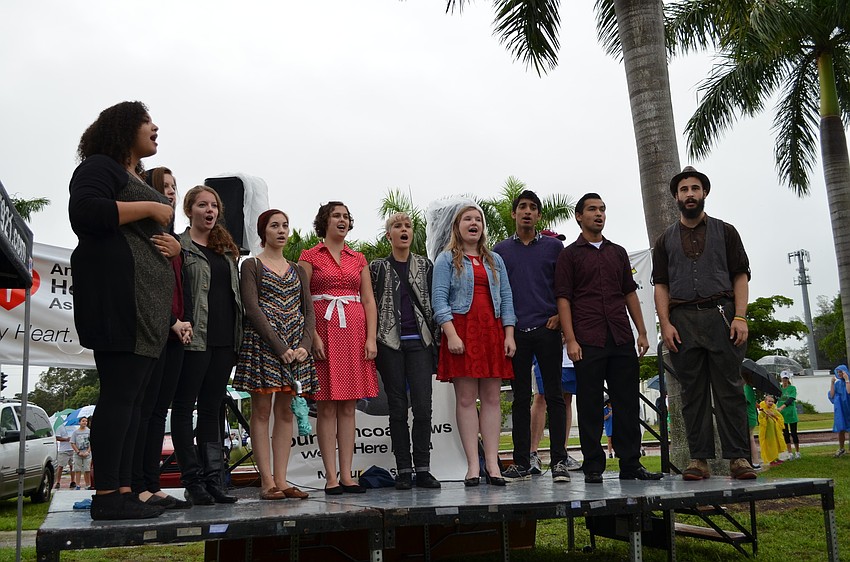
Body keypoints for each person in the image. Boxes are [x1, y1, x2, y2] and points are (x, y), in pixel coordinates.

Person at [69, 101, 178, 520]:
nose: (156, 128)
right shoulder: (99, 166)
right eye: (147, 122)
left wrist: (168, 245)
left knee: (135, 402)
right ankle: (108, 494)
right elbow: (86, 212)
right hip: (119, 301)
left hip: (145, 308)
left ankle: (128, 488)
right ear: (124, 128)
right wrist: (152, 209)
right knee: (119, 397)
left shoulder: (129, 175)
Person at [652, 166, 756, 481]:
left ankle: (739, 459)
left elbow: (740, 275)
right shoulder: (664, 240)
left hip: (722, 316)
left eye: (695, 189)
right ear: (676, 197)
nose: (690, 195)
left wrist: (740, 316)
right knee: (691, 393)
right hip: (682, 320)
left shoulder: (726, 231)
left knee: (730, 389)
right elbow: (660, 286)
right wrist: (665, 323)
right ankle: (699, 460)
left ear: (704, 193)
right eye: (684, 190)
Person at [555, 193, 660, 484]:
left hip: (620, 336)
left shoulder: (617, 252)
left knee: (626, 402)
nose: (598, 214)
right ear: (579, 216)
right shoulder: (569, 255)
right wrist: (571, 340)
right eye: (592, 209)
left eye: (602, 209)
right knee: (589, 404)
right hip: (587, 339)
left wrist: (641, 331)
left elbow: (629, 293)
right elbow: (563, 299)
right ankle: (592, 467)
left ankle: (630, 465)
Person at [234, 209, 318, 500]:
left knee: (286, 412)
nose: (281, 231)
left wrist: (304, 345)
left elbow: (309, 311)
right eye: (274, 226)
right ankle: (266, 481)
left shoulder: (297, 268)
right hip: (264, 345)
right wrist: (279, 346)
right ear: (263, 232)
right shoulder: (252, 265)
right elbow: (251, 307)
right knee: (261, 412)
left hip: (296, 348)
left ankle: (282, 479)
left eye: (285, 225)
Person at [432, 205, 516, 487]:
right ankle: (472, 466)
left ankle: (493, 463)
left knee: (492, 398)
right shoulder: (446, 260)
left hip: (491, 332)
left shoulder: (496, 260)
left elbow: (506, 298)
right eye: (468, 218)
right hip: (461, 331)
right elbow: (439, 300)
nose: (474, 223)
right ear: (457, 225)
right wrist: (452, 334)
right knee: (466, 399)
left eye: (478, 219)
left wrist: (509, 334)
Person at [299, 202, 378, 494]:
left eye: (346, 216)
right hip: (323, 332)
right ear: (325, 221)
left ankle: (348, 475)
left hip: (354, 333)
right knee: (326, 407)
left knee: (349, 407)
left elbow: (369, 300)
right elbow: (303, 300)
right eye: (336, 216)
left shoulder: (358, 258)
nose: (342, 220)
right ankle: (331, 477)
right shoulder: (309, 256)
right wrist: (313, 336)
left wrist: (371, 338)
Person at [172, 185, 243, 505]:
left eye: (214, 205)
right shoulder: (179, 245)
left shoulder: (225, 249)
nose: (210, 210)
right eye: (202, 205)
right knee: (186, 408)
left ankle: (215, 480)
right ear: (189, 210)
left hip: (224, 340)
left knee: (213, 409)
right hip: (192, 339)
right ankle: (193, 481)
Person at [492, 191, 569, 483]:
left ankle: (559, 461)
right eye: (522, 207)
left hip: (548, 329)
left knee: (554, 395)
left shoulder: (554, 247)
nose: (527, 212)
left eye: (532, 208)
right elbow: (497, 291)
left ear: (539, 215)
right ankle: (522, 461)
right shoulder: (500, 251)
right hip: (515, 333)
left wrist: (561, 318)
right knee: (520, 398)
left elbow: (565, 286)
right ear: (513, 214)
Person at [131, 166, 193, 510]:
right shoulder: (150, 234)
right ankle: (136, 485)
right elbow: (150, 290)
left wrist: (183, 323)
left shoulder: (174, 240)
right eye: (164, 187)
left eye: (174, 186)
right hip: (155, 330)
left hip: (176, 333)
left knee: (158, 414)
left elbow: (178, 289)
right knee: (143, 411)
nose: (170, 192)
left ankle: (151, 485)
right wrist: (171, 321)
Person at [370, 212, 441, 490]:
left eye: (407, 226)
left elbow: (435, 304)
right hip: (390, 343)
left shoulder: (425, 265)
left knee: (423, 407)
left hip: (420, 343)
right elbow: (370, 304)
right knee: (397, 408)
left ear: (412, 234)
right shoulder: (377, 268)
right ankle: (403, 470)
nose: (403, 230)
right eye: (397, 226)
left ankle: (423, 469)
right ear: (389, 235)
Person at [529, 349, 581, 474]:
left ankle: (562, 453)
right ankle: (532, 453)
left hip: (567, 353)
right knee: (540, 396)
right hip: (544, 346)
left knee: (565, 398)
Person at [778, 371, 800, 460]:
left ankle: (797, 452)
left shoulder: (792, 388)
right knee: (785, 433)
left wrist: (782, 407)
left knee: (794, 433)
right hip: (782, 414)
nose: (785, 380)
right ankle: (790, 452)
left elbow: (791, 399)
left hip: (791, 413)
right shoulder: (778, 388)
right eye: (783, 378)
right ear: (781, 378)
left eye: (786, 378)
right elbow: (775, 398)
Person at [829, 364, 850, 457]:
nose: (839, 374)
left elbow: (848, 392)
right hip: (841, 409)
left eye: (840, 372)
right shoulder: (837, 383)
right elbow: (832, 395)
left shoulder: (847, 381)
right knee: (841, 429)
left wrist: (847, 380)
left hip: (848, 407)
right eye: (838, 372)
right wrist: (832, 383)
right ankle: (841, 448)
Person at [758, 396, 785, 466]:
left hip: (775, 431)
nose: (771, 403)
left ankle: (776, 457)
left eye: (772, 401)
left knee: (775, 444)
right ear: (765, 401)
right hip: (767, 432)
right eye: (769, 401)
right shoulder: (762, 411)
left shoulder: (774, 409)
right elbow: (761, 421)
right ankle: (771, 460)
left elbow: (780, 418)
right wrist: (766, 417)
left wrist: (774, 415)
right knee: (770, 445)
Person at [70, 417, 92, 490]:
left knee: (87, 469)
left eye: (86, 421)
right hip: (78, 453)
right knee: (77, 469)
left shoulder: (89, 431)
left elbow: (92, 443)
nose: (84, 422)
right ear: (79, 422)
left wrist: (88, 451)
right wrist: (78, 452)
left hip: (87, 453)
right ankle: (78, 484)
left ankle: (88, 484)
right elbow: (72, 443)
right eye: (83, 421)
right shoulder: (76, 432)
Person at [54, 423, 74, 489]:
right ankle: (58, 482)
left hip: (73, 449)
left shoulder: (74, 427)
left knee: (73, 466)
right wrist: (66, 439)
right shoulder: (60, 427)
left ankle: (73, 481)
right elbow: (57, 437)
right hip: (63, 450)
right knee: (61, 466)